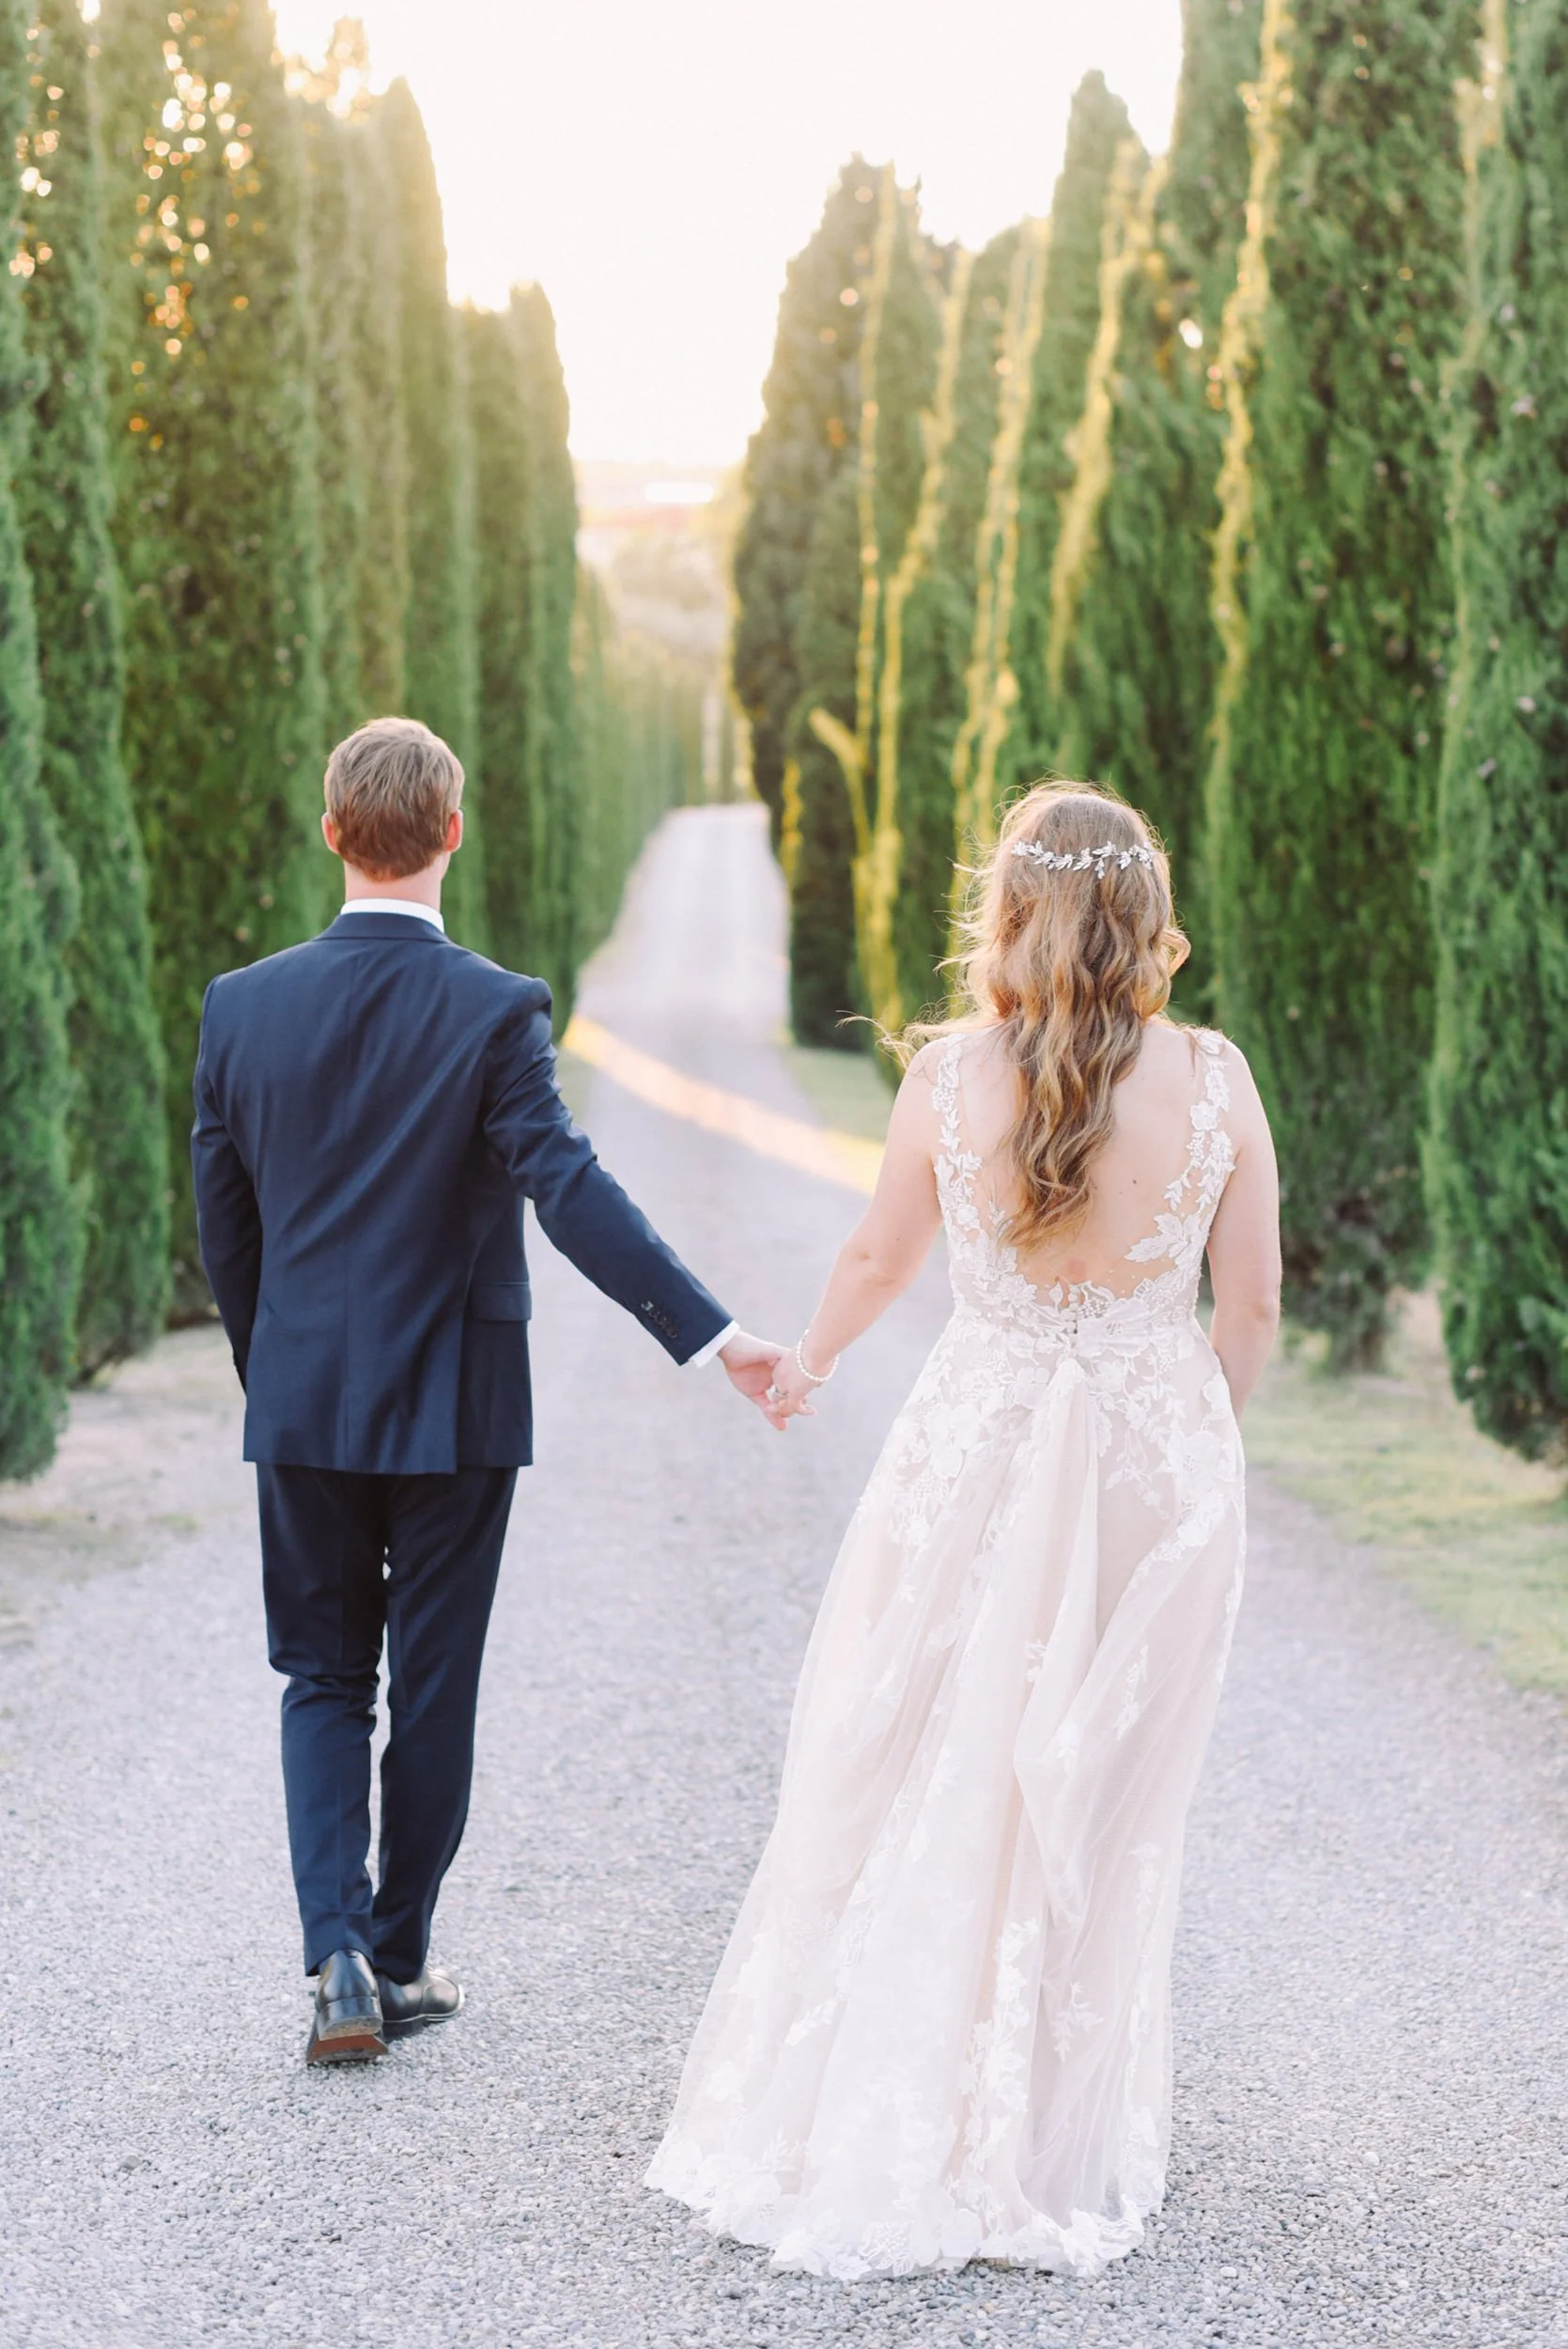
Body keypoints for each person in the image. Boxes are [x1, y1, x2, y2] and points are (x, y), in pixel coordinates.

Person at [647, 781, 1281, 2279]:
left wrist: (805, 1361)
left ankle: (902, 2096)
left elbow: (878, 1252)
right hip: (1150, 1466)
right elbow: (1248, 1305)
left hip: (974, 1443)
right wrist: (1201, 1446)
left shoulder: (946, 1076)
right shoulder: (1217, 1075)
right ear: (1148, 910)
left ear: (1005, 911)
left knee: (924, 1751)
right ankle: (1058, 2131)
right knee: (1104, 1792)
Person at [192, 716, 784, 2064]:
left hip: (304, 1402)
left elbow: (225, 1226)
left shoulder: (241, 1008)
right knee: (436, 1685)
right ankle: (399, 1956)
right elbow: (567, 1190)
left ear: (332, 831)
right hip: (458, 1405)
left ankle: (336, 1960)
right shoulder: (496, 1005)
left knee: (323, 1678)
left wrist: (269, 1361)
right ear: (451, 832)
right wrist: (713, 1332)